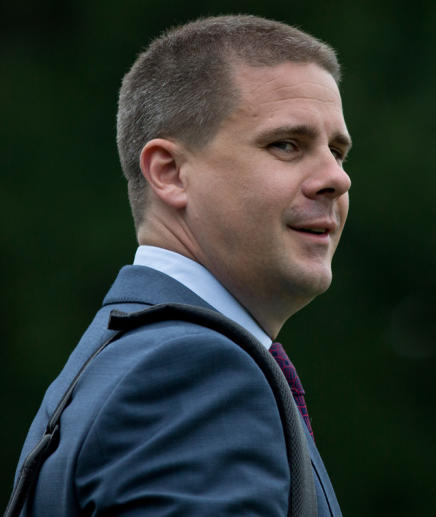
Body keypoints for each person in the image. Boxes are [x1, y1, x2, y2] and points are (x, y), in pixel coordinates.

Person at [10, 15, 349, 516]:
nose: (335, 179)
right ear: (169, 173)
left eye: (338, 152)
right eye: (286, 144)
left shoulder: (126, 358)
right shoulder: (193, 371)